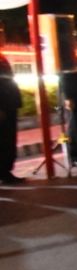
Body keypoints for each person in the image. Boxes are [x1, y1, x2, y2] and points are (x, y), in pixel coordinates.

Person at [0, 54, 23, 184]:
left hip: (10, 104)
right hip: (3, 105)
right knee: (3, 141)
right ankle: (3, 172)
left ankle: (6, 171)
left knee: (9, 140)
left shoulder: (2, 58)